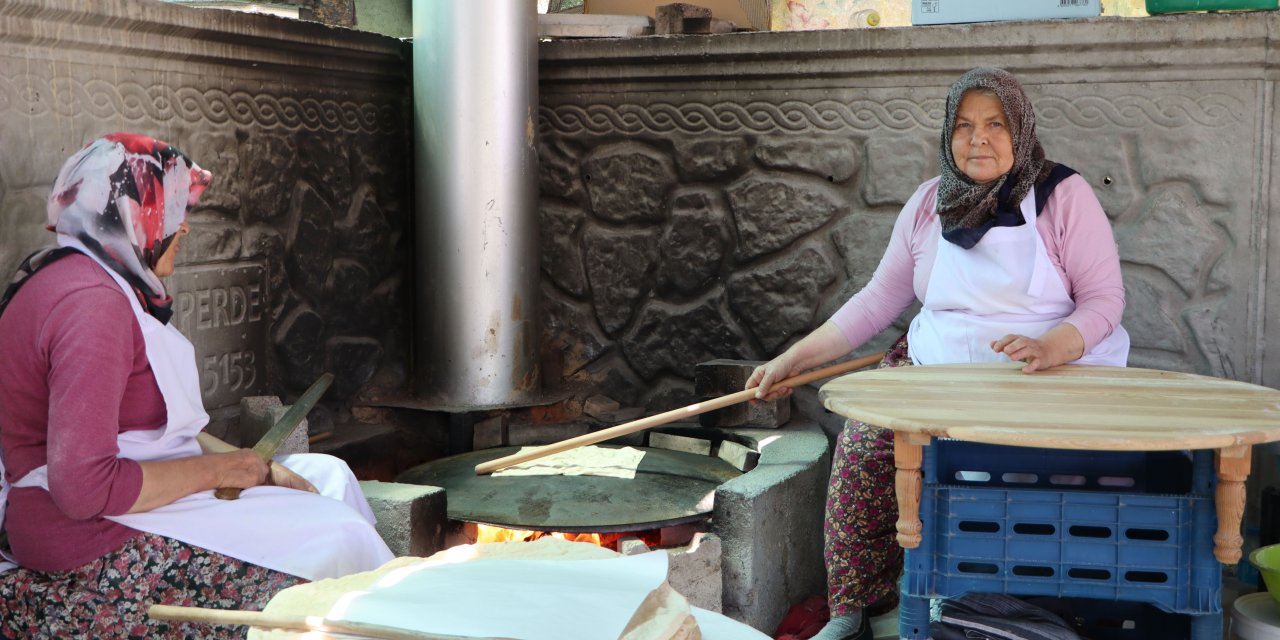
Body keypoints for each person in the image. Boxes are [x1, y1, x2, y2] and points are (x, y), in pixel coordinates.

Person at [747, 68, 1129, 640]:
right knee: (865, 447)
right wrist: (794, 360)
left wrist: (1051, 347)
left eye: (996, 124)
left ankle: (993, 609)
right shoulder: (930, 203)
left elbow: (1105, 301)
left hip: (1047, 373)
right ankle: (856, 607)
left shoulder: (1061, 196)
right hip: (936, 370)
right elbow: (878, 301)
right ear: (947, 135)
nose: (979, 138)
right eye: (965, 126)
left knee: (1013, 483)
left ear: (1020, 129)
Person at [0, 133, 394, 639]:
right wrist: (222, 469)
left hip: (129, 499)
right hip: (89, 537)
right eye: (168, 210)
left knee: (329, 475)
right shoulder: (90, 306)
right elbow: (83, 488)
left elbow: (150, 427)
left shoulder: (84, 275)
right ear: (128, 214)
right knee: (337, 538)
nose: (182, 225)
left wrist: (257, 465)